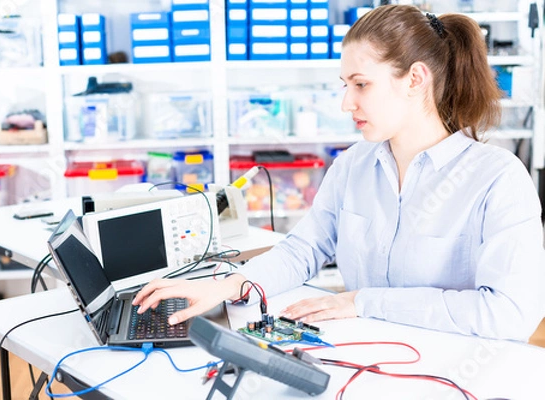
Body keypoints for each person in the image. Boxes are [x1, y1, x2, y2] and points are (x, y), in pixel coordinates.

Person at [133, 4, 545, 341]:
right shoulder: (354, 165)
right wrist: (223, 287)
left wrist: (363, 301)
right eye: (344, 84)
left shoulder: (497, 178)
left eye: (361, 85)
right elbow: (303, 250)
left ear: (415, 79)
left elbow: (509, 314)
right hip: (362, 357)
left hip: (456, 374)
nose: (346, 103)